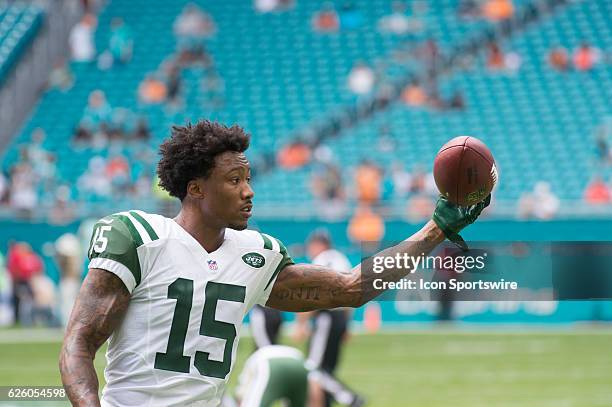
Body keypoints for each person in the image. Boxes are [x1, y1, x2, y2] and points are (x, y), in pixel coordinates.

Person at [59, 121, 489, 406]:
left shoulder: (255, 254)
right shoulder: (138, 237)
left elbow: (352, 287)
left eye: (248, 178)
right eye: (233, 180)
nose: (248, 191)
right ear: (196, 189)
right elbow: (79, 343)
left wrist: (435, 229)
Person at [293, 230, 363, 407]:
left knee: (313, 367)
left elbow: (311, 297)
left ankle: (348, 397)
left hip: (326, 316)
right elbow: (351, 292)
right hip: (340, 316)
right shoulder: (341, 258)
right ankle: (326, 400)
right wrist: (348, 324)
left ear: (319, 245)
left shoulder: (320, 261)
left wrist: (301, 324)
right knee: (328, 365)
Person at [229, 345, 363, 407]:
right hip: (298, 362)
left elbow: (241, 398)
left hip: (270, 364)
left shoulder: (254, 364)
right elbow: (315, 385)